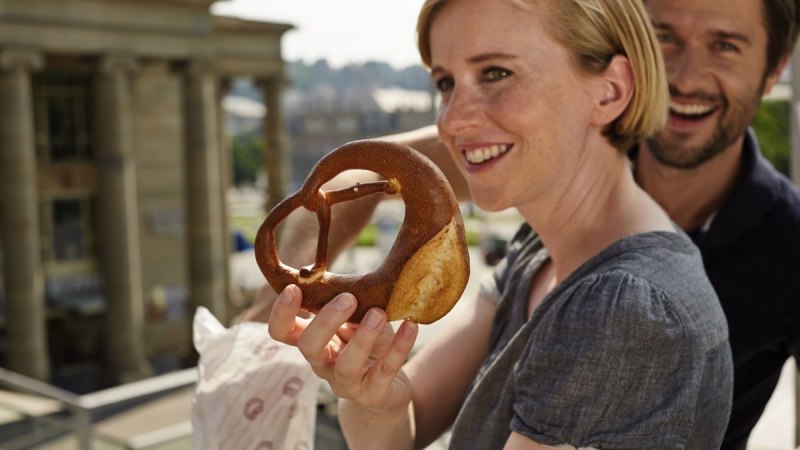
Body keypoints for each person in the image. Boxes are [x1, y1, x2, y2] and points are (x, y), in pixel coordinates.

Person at [243, 0, 800, 447]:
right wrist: (370, 396)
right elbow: (402, 427)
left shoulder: (623, 308)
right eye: (445, 82)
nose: (453, 119)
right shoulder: (541, 248)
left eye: (497, 73)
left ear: (611, 91)